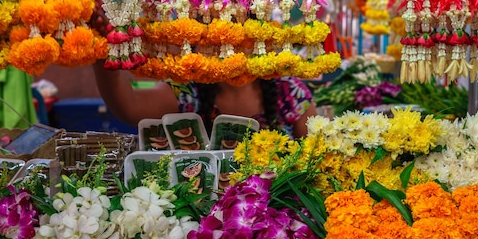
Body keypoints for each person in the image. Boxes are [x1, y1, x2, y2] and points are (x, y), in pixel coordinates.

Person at [92, 67, 317, 139]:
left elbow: (316, 159)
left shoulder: (289, 93)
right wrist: (102, 58)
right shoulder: (188, 91)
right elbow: (129, 107)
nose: (233, 43)